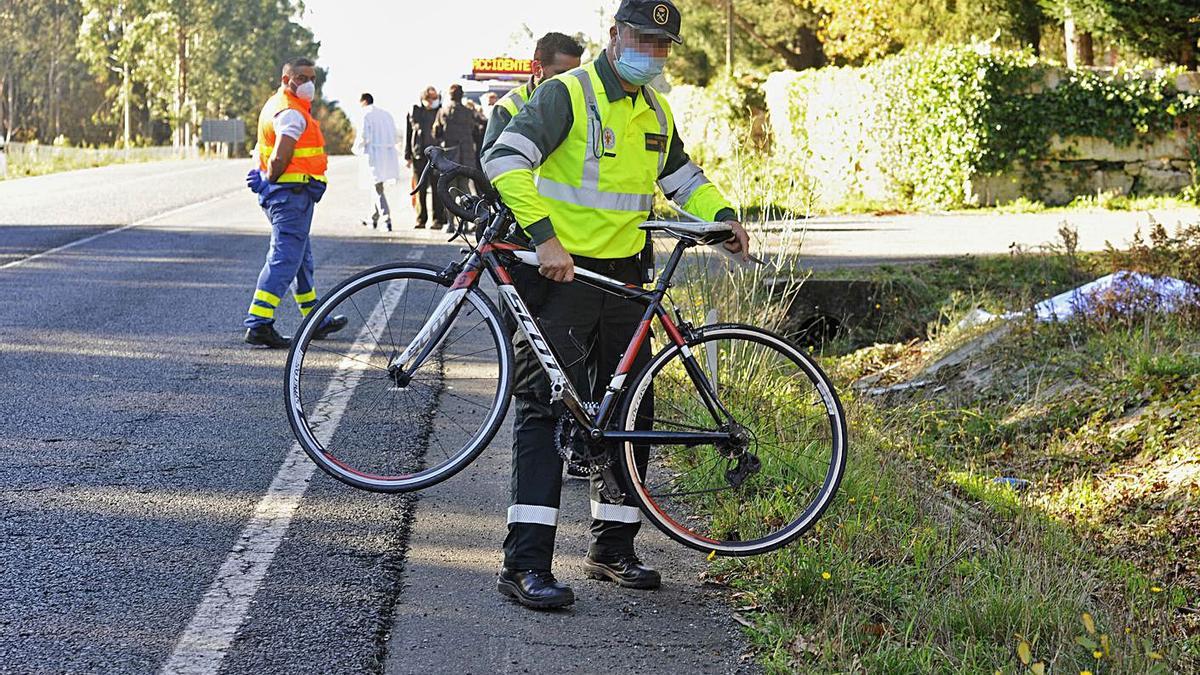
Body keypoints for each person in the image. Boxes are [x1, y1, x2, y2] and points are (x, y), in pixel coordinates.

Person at [481, 0, 750, 610]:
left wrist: (722, 217)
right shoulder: (567, 95)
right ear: (615, 35)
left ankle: (613, 547)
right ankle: (524, 566)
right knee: (546, 415)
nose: (650, 52)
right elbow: (503, 159)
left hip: (628, 280)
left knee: (631, 416)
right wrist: (544, 236)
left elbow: (681, 177)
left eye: (662, 45)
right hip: (562, 277)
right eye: (642, 39)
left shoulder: (655, 106)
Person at [243, 57, 347, 348]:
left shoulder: (278, 105)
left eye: (312, 77)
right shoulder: (292, 113)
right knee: (285, 259)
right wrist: (271, 177)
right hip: (289, 196)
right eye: (301, 78)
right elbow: (279, 156)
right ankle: (259, 323)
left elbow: (261, 150)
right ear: (286, 78)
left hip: (287, 195)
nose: (309, 83)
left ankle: (315, 319)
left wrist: (265, 179)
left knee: (302, 260)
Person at [479, 32, 583, 158]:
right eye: (562, 74)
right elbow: (493, 162)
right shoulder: (507, 108)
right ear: (537, 69)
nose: (570, 81)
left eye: (575, 75)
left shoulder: (584, 102)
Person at [434, 84, 482, 229]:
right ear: (462, 96)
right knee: (465, 190)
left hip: (450, 157)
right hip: (467, 157)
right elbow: (476, 132)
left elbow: (436, 132)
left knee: (450, 191)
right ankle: (466, 223)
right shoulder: (468, 112)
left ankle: (450, 224)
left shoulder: (443, 111)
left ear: (450, 95)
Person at [353, 92, 401, 231]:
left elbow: (363, 136)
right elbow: (395, 134)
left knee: (376, 187)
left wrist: (356, 148)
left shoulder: (365, 114)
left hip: (373, 154)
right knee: (377, 186)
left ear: (363, 101)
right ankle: (372, 218)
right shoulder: (386, 114)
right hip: (388, 154)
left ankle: (386, 219)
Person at [405, 86, 445, 229]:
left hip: (437, 156)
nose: (431, 101)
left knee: (437, 189)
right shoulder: (414, 112)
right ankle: (421, 219)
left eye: (434, 98)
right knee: (419, 188)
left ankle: (438, 220)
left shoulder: (442, 111)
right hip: (418, 155)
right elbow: (408, 134)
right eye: (428, 98)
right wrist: (407, 155)